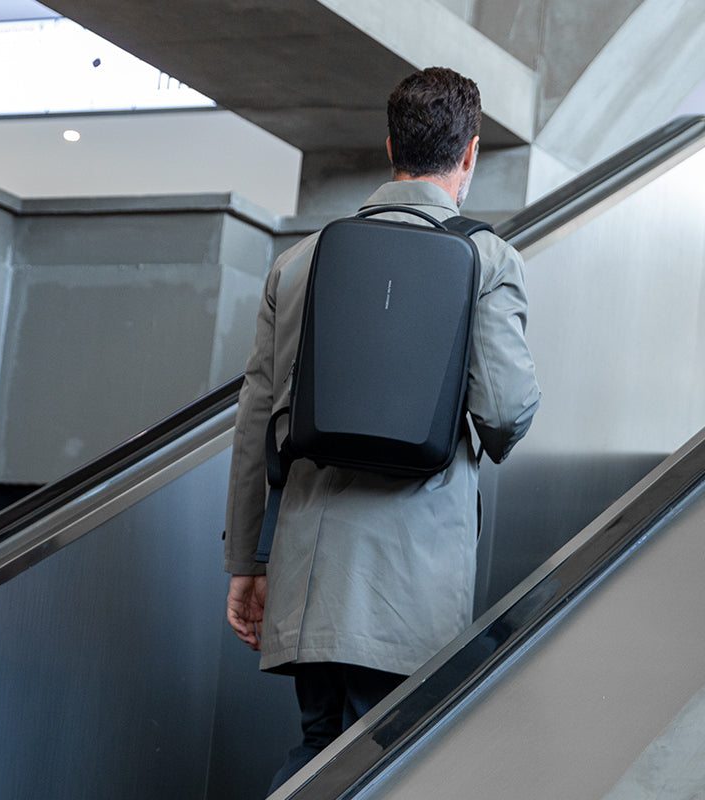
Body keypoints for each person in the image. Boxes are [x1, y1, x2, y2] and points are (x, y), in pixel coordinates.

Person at [224, 66, 540, 792]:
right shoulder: (487, 259)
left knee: (319, 754)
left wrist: (248, 561)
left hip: (307, 583)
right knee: (386, 771)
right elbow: (504, 413)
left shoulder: (299, 264)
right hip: (412, 588)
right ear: (469, 155)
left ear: (390, 143)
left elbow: (254, 424)